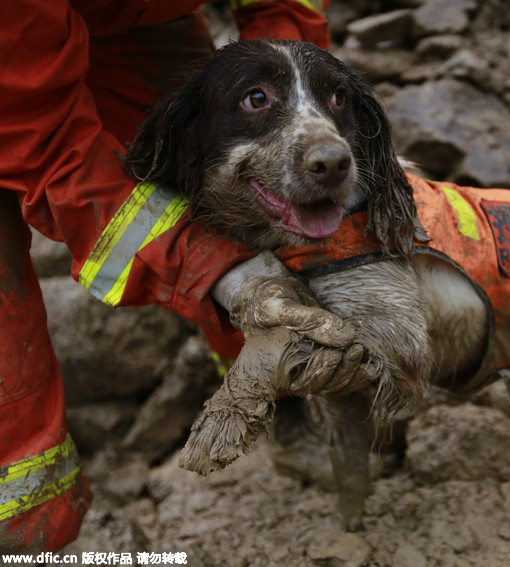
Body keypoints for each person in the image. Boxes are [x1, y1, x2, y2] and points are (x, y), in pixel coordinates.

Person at [0, 0, 362, 552]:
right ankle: (23, 538)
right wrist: (216, 271)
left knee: (226, 179)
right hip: (11, 47)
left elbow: (289, 7)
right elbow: (48, 151)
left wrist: (285, 81)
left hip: (133, 16)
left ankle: (289, 411)